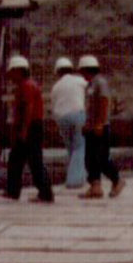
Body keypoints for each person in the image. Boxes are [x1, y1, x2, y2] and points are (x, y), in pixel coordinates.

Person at [0, 55, 53, 203]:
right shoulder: (23, 86)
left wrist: (23, 130)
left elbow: (28, 108)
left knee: (34, 161)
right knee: (16, 159)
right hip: (28, 126)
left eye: (12, 71)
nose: (10, 75)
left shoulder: (27, 86)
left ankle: (45, 192)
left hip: (31, 127)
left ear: (19, 71)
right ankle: (13, 190)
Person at [78, 55, 124, 198]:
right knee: (90, 158)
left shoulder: (100, 83)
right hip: (91, 127)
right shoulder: (90, 85)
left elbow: (104, 102)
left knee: (101, 158)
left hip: (100, 127)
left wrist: (100, 123)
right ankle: (95, 186)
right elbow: (90, 107)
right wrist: (87, 124)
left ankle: (117, 180)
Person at [51, 57, 89, 189]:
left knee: (71, 149)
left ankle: (81, 175)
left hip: (61, 117)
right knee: (80, 147)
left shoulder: (56, 86)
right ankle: (74, 180)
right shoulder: (79, 81)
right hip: (77, 114)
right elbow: (90, 90)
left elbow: (53, 104)